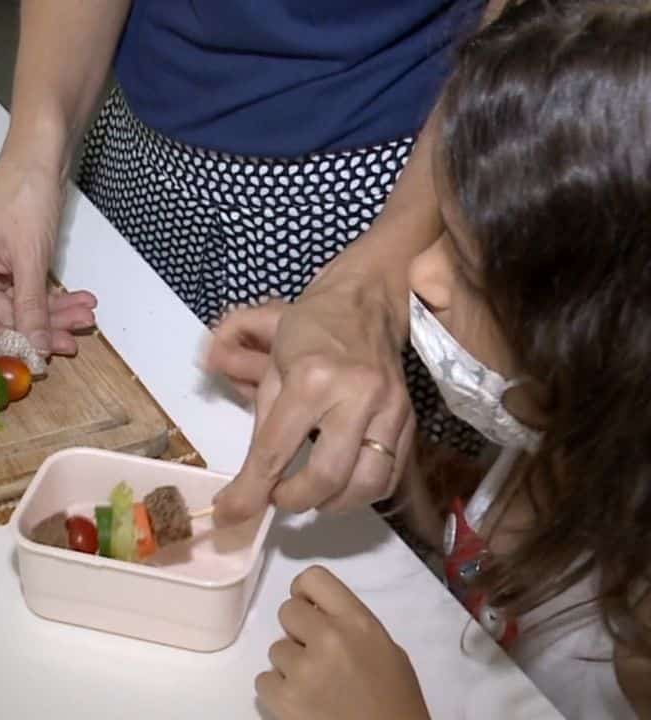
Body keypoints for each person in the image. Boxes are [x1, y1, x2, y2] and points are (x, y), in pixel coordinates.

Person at [0, 1, 514, 522]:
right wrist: (33, 152)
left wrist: (384, 270)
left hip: (384, 199)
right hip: (137, 155)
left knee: (340, 507)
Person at [250, 3, 651, 717]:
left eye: (465, 264)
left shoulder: (638, 636)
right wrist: (394, 467)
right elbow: (489, 568)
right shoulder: (560, 445)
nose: (419, 276)